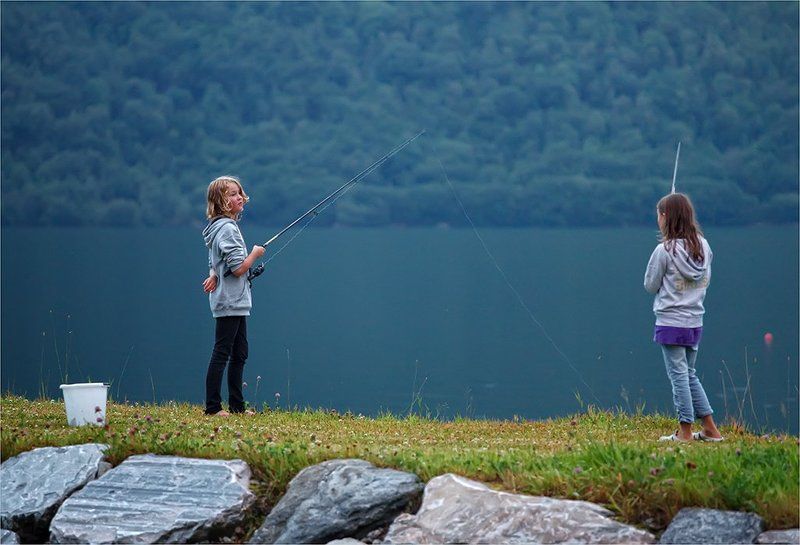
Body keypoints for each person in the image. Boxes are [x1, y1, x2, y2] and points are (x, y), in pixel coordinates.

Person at [644, 192, 723, 442]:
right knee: (689, 374)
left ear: (666, 217)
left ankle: (685, 432)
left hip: (670, 323)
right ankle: (710, 429)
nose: (657, 219)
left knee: (679, 377)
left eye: (659, 214)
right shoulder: (704, 246)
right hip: (695, 321)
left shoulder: (663, 250)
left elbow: (649, 284)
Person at [201, 175, 265, 416]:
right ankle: (213, 407)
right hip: (230, 301)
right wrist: (255, 254)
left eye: (239, 193)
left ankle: (237, 407)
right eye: (232, 194)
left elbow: (215, 260)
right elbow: (239, 267)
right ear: (219, 201)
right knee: (222, 352)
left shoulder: (218, 227)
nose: (239, 197)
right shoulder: (227, 228)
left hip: (234, 300)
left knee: (240, 353)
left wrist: (214, 274)